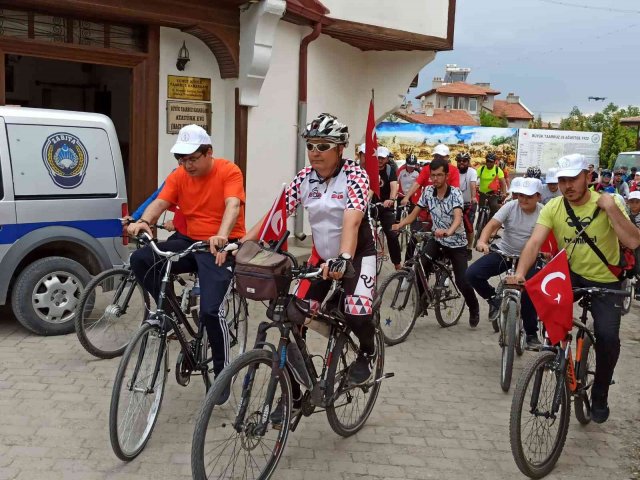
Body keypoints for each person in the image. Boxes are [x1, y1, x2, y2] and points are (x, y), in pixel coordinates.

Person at [242, 113, 378, 423]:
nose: (315, 151)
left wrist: (343, 257)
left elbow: (352, 219)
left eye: (323, 145)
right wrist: (243, 244)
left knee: (356, 311)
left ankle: (367, 353)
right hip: (320, 259)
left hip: (356, 255)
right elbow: (275, 216)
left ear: (340, 148)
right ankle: (294, 392)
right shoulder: (305, 178)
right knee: (292, 317)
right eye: (310, 145)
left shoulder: (355, 175)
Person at [509, 153, 640, 423]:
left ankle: (600, 393)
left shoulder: (610, 201)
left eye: (573, 179)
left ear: (588, 177)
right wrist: (520, 274)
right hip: (569, 275)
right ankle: (555, 356)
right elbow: (534, 243)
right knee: (546, 309)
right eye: (563, 180)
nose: (568, 185)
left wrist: (611, 209)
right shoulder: (553, 207)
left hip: (606, 280)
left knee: (607, 337)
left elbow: (633, 241)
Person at [127, 124, 246, 404]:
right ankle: (168, 312)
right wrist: (144, 222)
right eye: (182, 159)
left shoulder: (229, 171)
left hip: (219, 245)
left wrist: (223, 234)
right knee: (141, 259)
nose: (187, 164)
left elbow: (233, 205)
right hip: (188, 240)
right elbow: (161, 202)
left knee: (210, 311)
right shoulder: (180, 175)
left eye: (193, 158)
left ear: (208, 153)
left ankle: (221, 375)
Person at [393, 158, 480, 326]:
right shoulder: (427, 191)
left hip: (456, 242)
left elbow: (457, 217)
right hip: (437, 239)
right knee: (420, 264)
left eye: (440, 175)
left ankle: (474, 307)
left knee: (463, 280)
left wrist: (449, 231)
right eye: (433, 175)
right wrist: (400, 224)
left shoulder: (455, 193)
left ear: (446, 175)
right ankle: (423, 301)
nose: (436, 179)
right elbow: (415, 212)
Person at [466, 177, 543, 346]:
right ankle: (494, 299)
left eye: (529, 196)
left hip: (530, 259)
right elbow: (492, 225)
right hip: (505, 253)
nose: (523, 199)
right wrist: (481, 241)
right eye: (521, 195)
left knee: (529, 291)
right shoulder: (510, 206)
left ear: (539, 196)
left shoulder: (544, 212)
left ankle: (531, 334)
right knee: (472, 274)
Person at [372, 146, 402, 270]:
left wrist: (391, 199)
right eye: (378, 157)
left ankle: (397, 264)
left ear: (386, 159)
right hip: (370, 205)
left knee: (391, 234)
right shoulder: (369, 170)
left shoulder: (390, 170)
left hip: (385, 206)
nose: (379, 160)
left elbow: (394, 186)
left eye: (382, 158)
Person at [456, 152, 478, 260]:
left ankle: (469, 248)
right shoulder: (454, 172)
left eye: (464, 161)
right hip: (456, 203)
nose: (461, 163)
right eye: (459, 161)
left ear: (468, 162)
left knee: (468, 225)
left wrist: (473, 197)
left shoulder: (472, 172)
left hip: (469, 203)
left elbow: (473, 185)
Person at [476, 152, 507, 217]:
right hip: (482, 193)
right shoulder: (481, 169)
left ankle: (490, 223)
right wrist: (475, 186)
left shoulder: (497, 170)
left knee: (494, 208)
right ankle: (479, 224)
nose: (488, 163)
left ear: (494, 162)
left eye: (491, 161)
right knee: (480, 211)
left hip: (493, 194)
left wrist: (504, 193)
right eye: (487, 161)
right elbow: (474, 179)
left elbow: (503, 183)